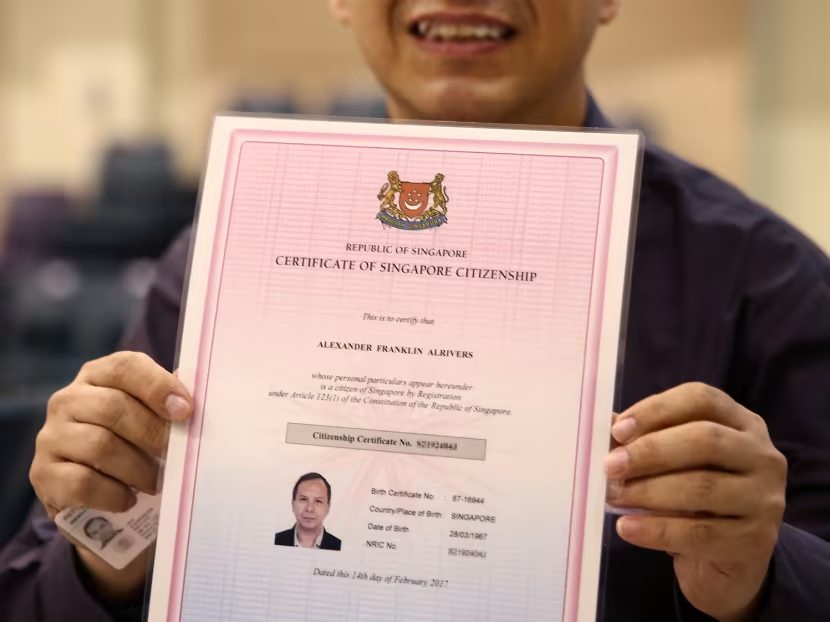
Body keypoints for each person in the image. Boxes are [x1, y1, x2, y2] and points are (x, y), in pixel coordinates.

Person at [2, 0, 830, 620]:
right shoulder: (217, 265)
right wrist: (107, 545)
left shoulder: (768, 283)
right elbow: (49, 590)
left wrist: (759, 575)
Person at [274, 473, 342, 551]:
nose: (309, 509)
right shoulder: (275, 542)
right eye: (303, 499)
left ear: (328, 508)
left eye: (318, 501)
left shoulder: (339, 547)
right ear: (293, 504)